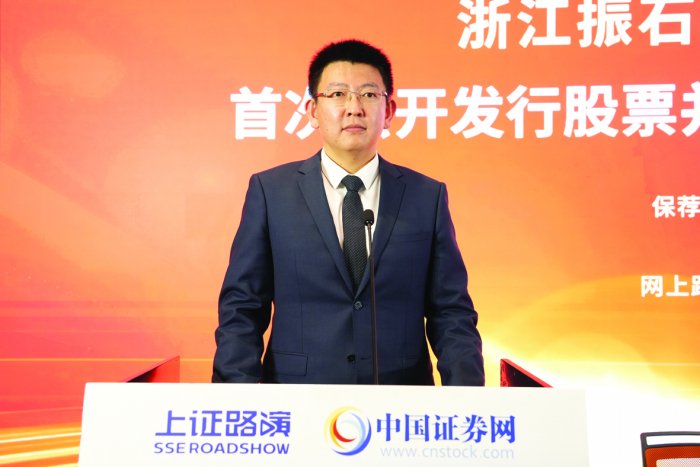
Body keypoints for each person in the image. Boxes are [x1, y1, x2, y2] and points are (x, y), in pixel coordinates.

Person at [212, 39, 484, 385]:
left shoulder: (426, 196)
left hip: (399, 399)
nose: (354, 108)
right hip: (297, 397)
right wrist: (236, 398)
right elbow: (243, 308)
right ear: (313, 111)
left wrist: (468, 398)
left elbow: (451, 312)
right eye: (338, 94)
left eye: (369, 94)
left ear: (389, 111)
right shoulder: (271, 192)